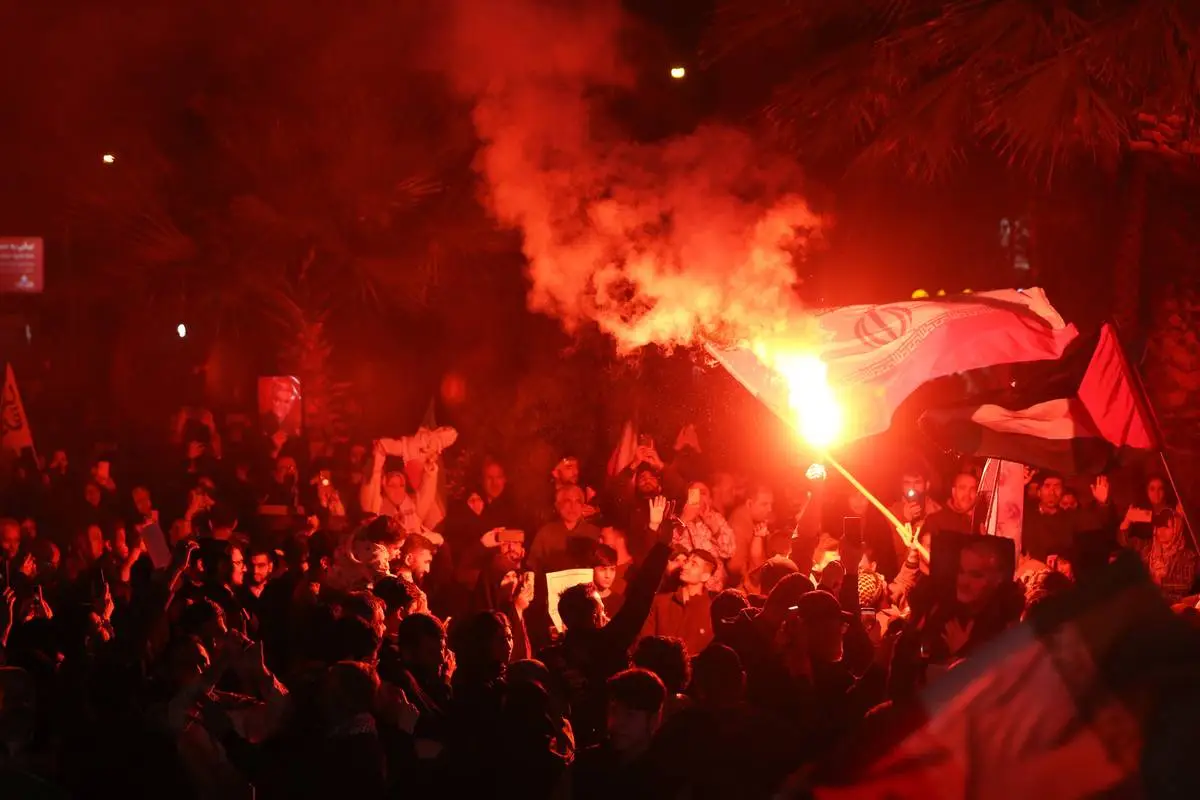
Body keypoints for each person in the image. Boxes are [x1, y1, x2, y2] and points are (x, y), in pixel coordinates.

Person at [566, 668, 666, 798]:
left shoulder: (663, 777)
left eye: (630, 715)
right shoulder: (586, 765)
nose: (617, 721)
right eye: (613, 711)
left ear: (654, 720)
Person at [640, 549, 716, 656]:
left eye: (693, 564)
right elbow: (644, 640)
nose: (685, 566)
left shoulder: (711, 614)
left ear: (705, 576)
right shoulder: (660, 602)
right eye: (687, 561)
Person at [673, 482, 736, 592]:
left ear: (710, 500)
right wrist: (684, 520)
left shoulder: (717, 519)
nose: (699, 497)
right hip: (683, 587)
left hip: (714, 589)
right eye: (694, 493)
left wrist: (715, 528)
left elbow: (729, 551)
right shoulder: (677, 520)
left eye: (703, 493)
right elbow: (670, 549)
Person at [1130, 509, 1198, 604]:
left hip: (1172, 605)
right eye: (1159, 527)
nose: (1161, 531)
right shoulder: (1149, 549)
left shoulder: (1187, 556)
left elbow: (1186, 585)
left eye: (1166, 527)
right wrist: (1126, 522)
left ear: (1177, 529)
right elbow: (1127, 543)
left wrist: (1160, 582)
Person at [527, 485, 601, 573]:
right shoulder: (545, 533)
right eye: (567, 501)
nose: (573, 506)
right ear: (557, 506)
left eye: (577, 502)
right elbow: (532, 567)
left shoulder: (594, 533)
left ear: (582, 506)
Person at [728, 485, 774, 592]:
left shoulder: (752, 520)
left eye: (771, 504)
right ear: (749, 503)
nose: (770, 509)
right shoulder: (739, 524)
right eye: (764, 504)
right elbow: (734, 565)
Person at [924, 472, 979, 537]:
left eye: (972, 489)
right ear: (954, 491)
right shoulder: (936, 520)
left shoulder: (983, 519)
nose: (967, 494)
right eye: (962, 488)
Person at [591, 543, 625, 616]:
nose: (608, 575)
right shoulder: (582, 600)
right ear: (592, 569)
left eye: (612, 569)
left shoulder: (620, 603)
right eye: (603, 569)